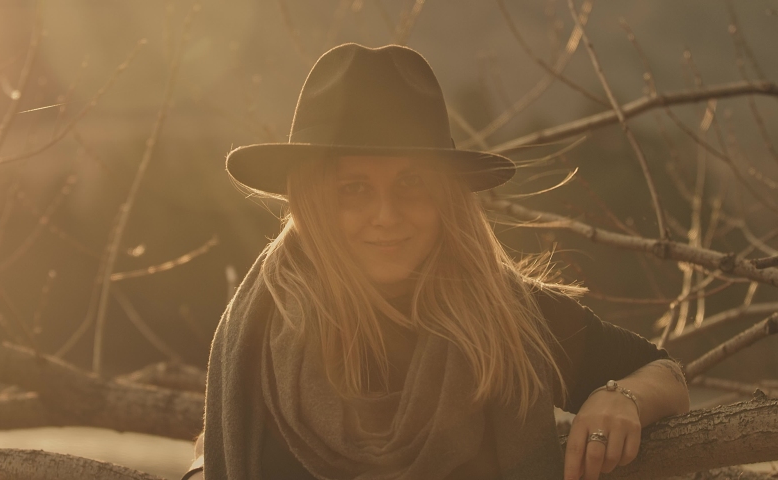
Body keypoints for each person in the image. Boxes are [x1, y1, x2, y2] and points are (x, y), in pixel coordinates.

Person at [183, 43, 690, 480]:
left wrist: (620, 397)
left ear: (445, 197)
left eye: (412, 184)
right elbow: (224, 437)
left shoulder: (502, 318)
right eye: (354, 189)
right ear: (313, 201)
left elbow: (664, 372)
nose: (387, 215)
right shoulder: (261, 329)